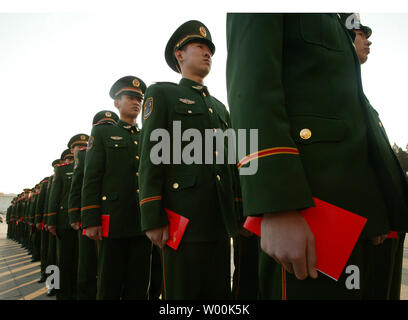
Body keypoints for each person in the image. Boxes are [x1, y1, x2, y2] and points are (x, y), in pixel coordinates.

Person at [226, 13, 408, 299]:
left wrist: (379, 208)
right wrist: (276, 206)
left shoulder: (333, 19)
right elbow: (252, 88)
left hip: (355, 217)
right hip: (309, 213)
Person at [139, 20, 239, 299]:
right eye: (200, 46)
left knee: (219, 294)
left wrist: (239, 211)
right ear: (179, 54)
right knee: (183, 295)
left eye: (210, 49)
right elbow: (150, 158)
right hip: (181, 219)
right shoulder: (162, 94)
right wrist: (152, 215)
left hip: (219, 220)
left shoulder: (219, 107)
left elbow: (230, 163)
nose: (208, 53)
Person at [341, 13, 406, 300]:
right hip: (360, 232)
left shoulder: (360, 98)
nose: (367, 41)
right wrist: (372, 218)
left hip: (383, 232)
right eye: (360, 34)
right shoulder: (336, 96)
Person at [82, 77, 151, 300]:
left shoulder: (147, 136)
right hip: (113, 220)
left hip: (142, 221)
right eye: (130, 97)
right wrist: (91, 220)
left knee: (139, 284)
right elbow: (92, 177)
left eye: (139, 99)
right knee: (109, 283)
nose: (136, 102)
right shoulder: (102, 134)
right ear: (116, 103)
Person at [68, 110, 119, 300]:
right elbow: (79, 186)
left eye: (111, 124)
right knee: (88, 265)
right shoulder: (84, 154)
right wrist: (76, 215)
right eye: (103, 124)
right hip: (91, 216)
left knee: (110, 268)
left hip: (114, 214)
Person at [48, 135, 89, 300]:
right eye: (77, 146)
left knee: (85, 264)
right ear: (71, 150)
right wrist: (51, 221)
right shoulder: (63, 169)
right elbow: (54, 196)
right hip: (65, 222)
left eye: (84, 145)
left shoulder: (93, 163)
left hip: (87, 220)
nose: (80, 148)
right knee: (65, 261)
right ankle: (63, 293)